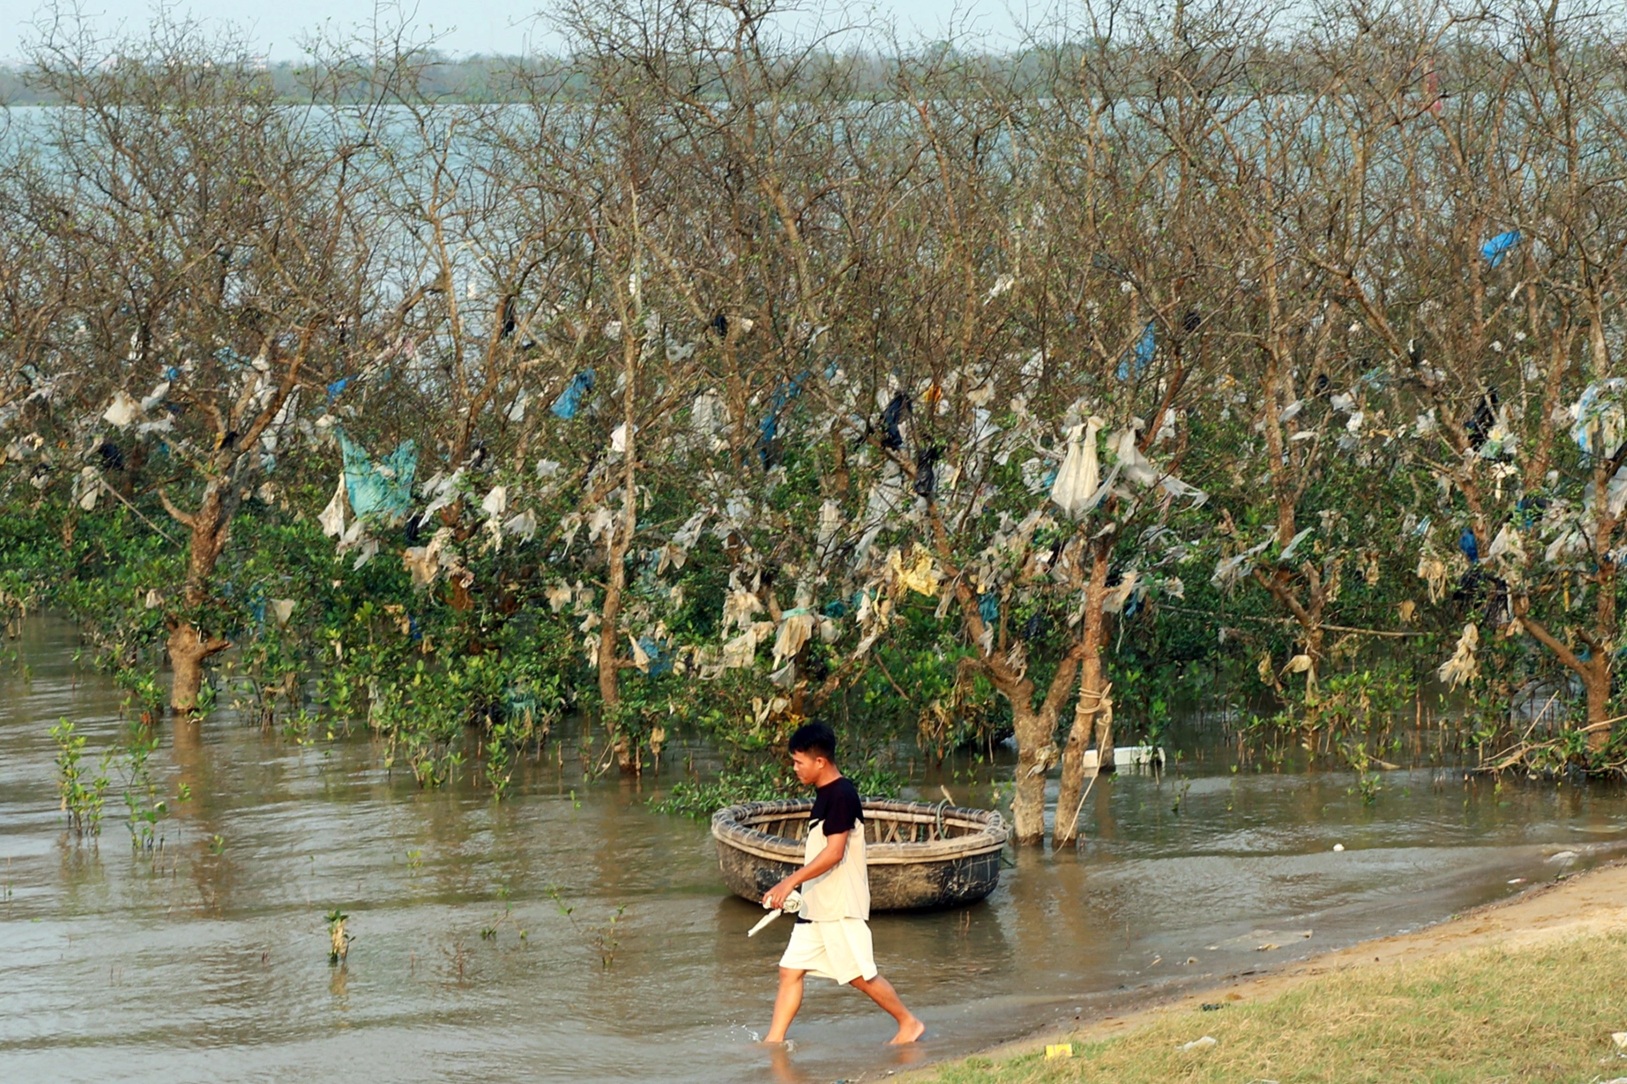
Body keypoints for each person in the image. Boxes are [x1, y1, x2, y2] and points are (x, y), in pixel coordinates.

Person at [761, 721, 924, 1045]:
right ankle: (773, 1043)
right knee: (790, 970)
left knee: (860, 976)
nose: (795, 769)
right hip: (817, 905)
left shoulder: (841, 795)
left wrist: (788, 882)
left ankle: (909, 1023)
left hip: (838, 905)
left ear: (819, 761)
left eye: (798, 762)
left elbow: (835, 853)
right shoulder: (825, 794)